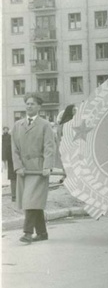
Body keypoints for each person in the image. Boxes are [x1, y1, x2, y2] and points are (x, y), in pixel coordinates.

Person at [11, 93, 56, 243]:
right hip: (24, 170)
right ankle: (42, 233)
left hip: (38, 170)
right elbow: (14, 148)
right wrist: (18, 167)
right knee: (32, 201)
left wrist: (47, 166)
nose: (29, 106)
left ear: (39, 107)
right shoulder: (18, 125)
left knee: (31, 200)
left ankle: (28, 233)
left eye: (32, 104)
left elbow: (49, 147)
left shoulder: (45, 125)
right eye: (27, 103)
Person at [55, 104, 77, 183]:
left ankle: (66, 176)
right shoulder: (69, 122)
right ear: (70, 111)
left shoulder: (63, 122)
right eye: (74, 110)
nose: (75, 112)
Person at [3, 126, 16, 202]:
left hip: (12, 163)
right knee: (14, 179)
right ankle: (14, 196)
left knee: (14, 179)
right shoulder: (10, 141)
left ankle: (14, 196)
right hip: (12, 162)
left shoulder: (9, 141)